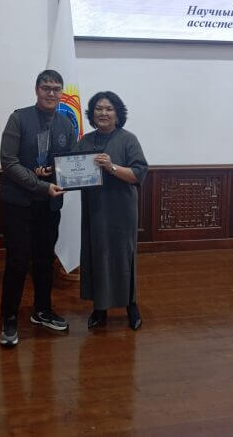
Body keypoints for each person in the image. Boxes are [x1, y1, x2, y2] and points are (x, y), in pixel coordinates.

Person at [0, 69, 76, 346]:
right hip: (19, 204)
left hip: (49, 206)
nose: (51, 93)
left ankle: (42, 310)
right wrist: (39, 183)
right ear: (36, 90)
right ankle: (9, 317)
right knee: (18, 261)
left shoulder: (66, 124)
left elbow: (69, 163)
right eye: (46, 88)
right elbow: (8, 161)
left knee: (44, 261)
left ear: (61, 93)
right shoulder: (19, 118)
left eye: (56, 88)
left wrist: (61, 175)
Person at [76, 91, 148, 330]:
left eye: (109, 109)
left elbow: (138, 174)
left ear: (118, 114)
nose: (103, 113)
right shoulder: (85, 141)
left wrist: (111, 166)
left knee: (123, 256)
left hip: (121, 210)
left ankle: (131, 305)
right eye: (98, 108)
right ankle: (100, 308)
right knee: (96, 255)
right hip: (95, 209)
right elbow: (71, 171)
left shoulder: (128, 139)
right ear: (92, 113)